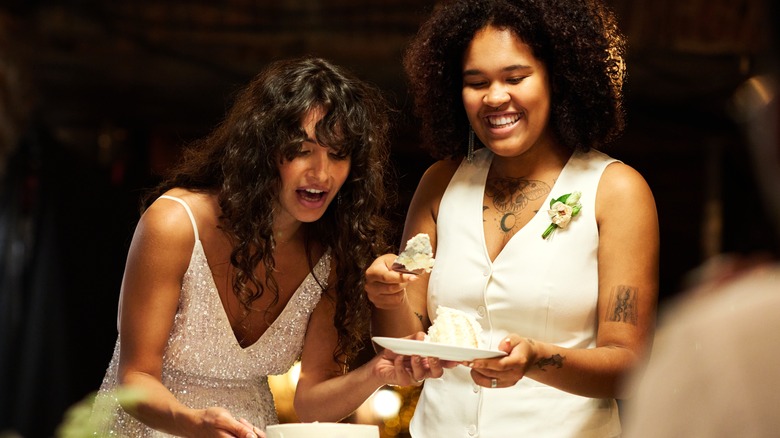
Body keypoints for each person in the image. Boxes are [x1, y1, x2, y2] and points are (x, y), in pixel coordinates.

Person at [365, 0, 659, 436]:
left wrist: (536, 358)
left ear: (558, 78)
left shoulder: (616, 190)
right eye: (476, 82)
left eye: (516, 77)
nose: (495, 97)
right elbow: (408, 344)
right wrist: (386, 297)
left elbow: (628, 365)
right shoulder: (441, 182)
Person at [90, 56, 423, 438]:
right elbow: (135, 377)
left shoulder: (332, 254)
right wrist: (192, 424)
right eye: (301, 149)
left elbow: (312, 399)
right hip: (150, 424)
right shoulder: (174, 224)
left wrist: (378, 371)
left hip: (249, 428)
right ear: (263, 147)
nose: (321, 173)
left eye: (338, 153)